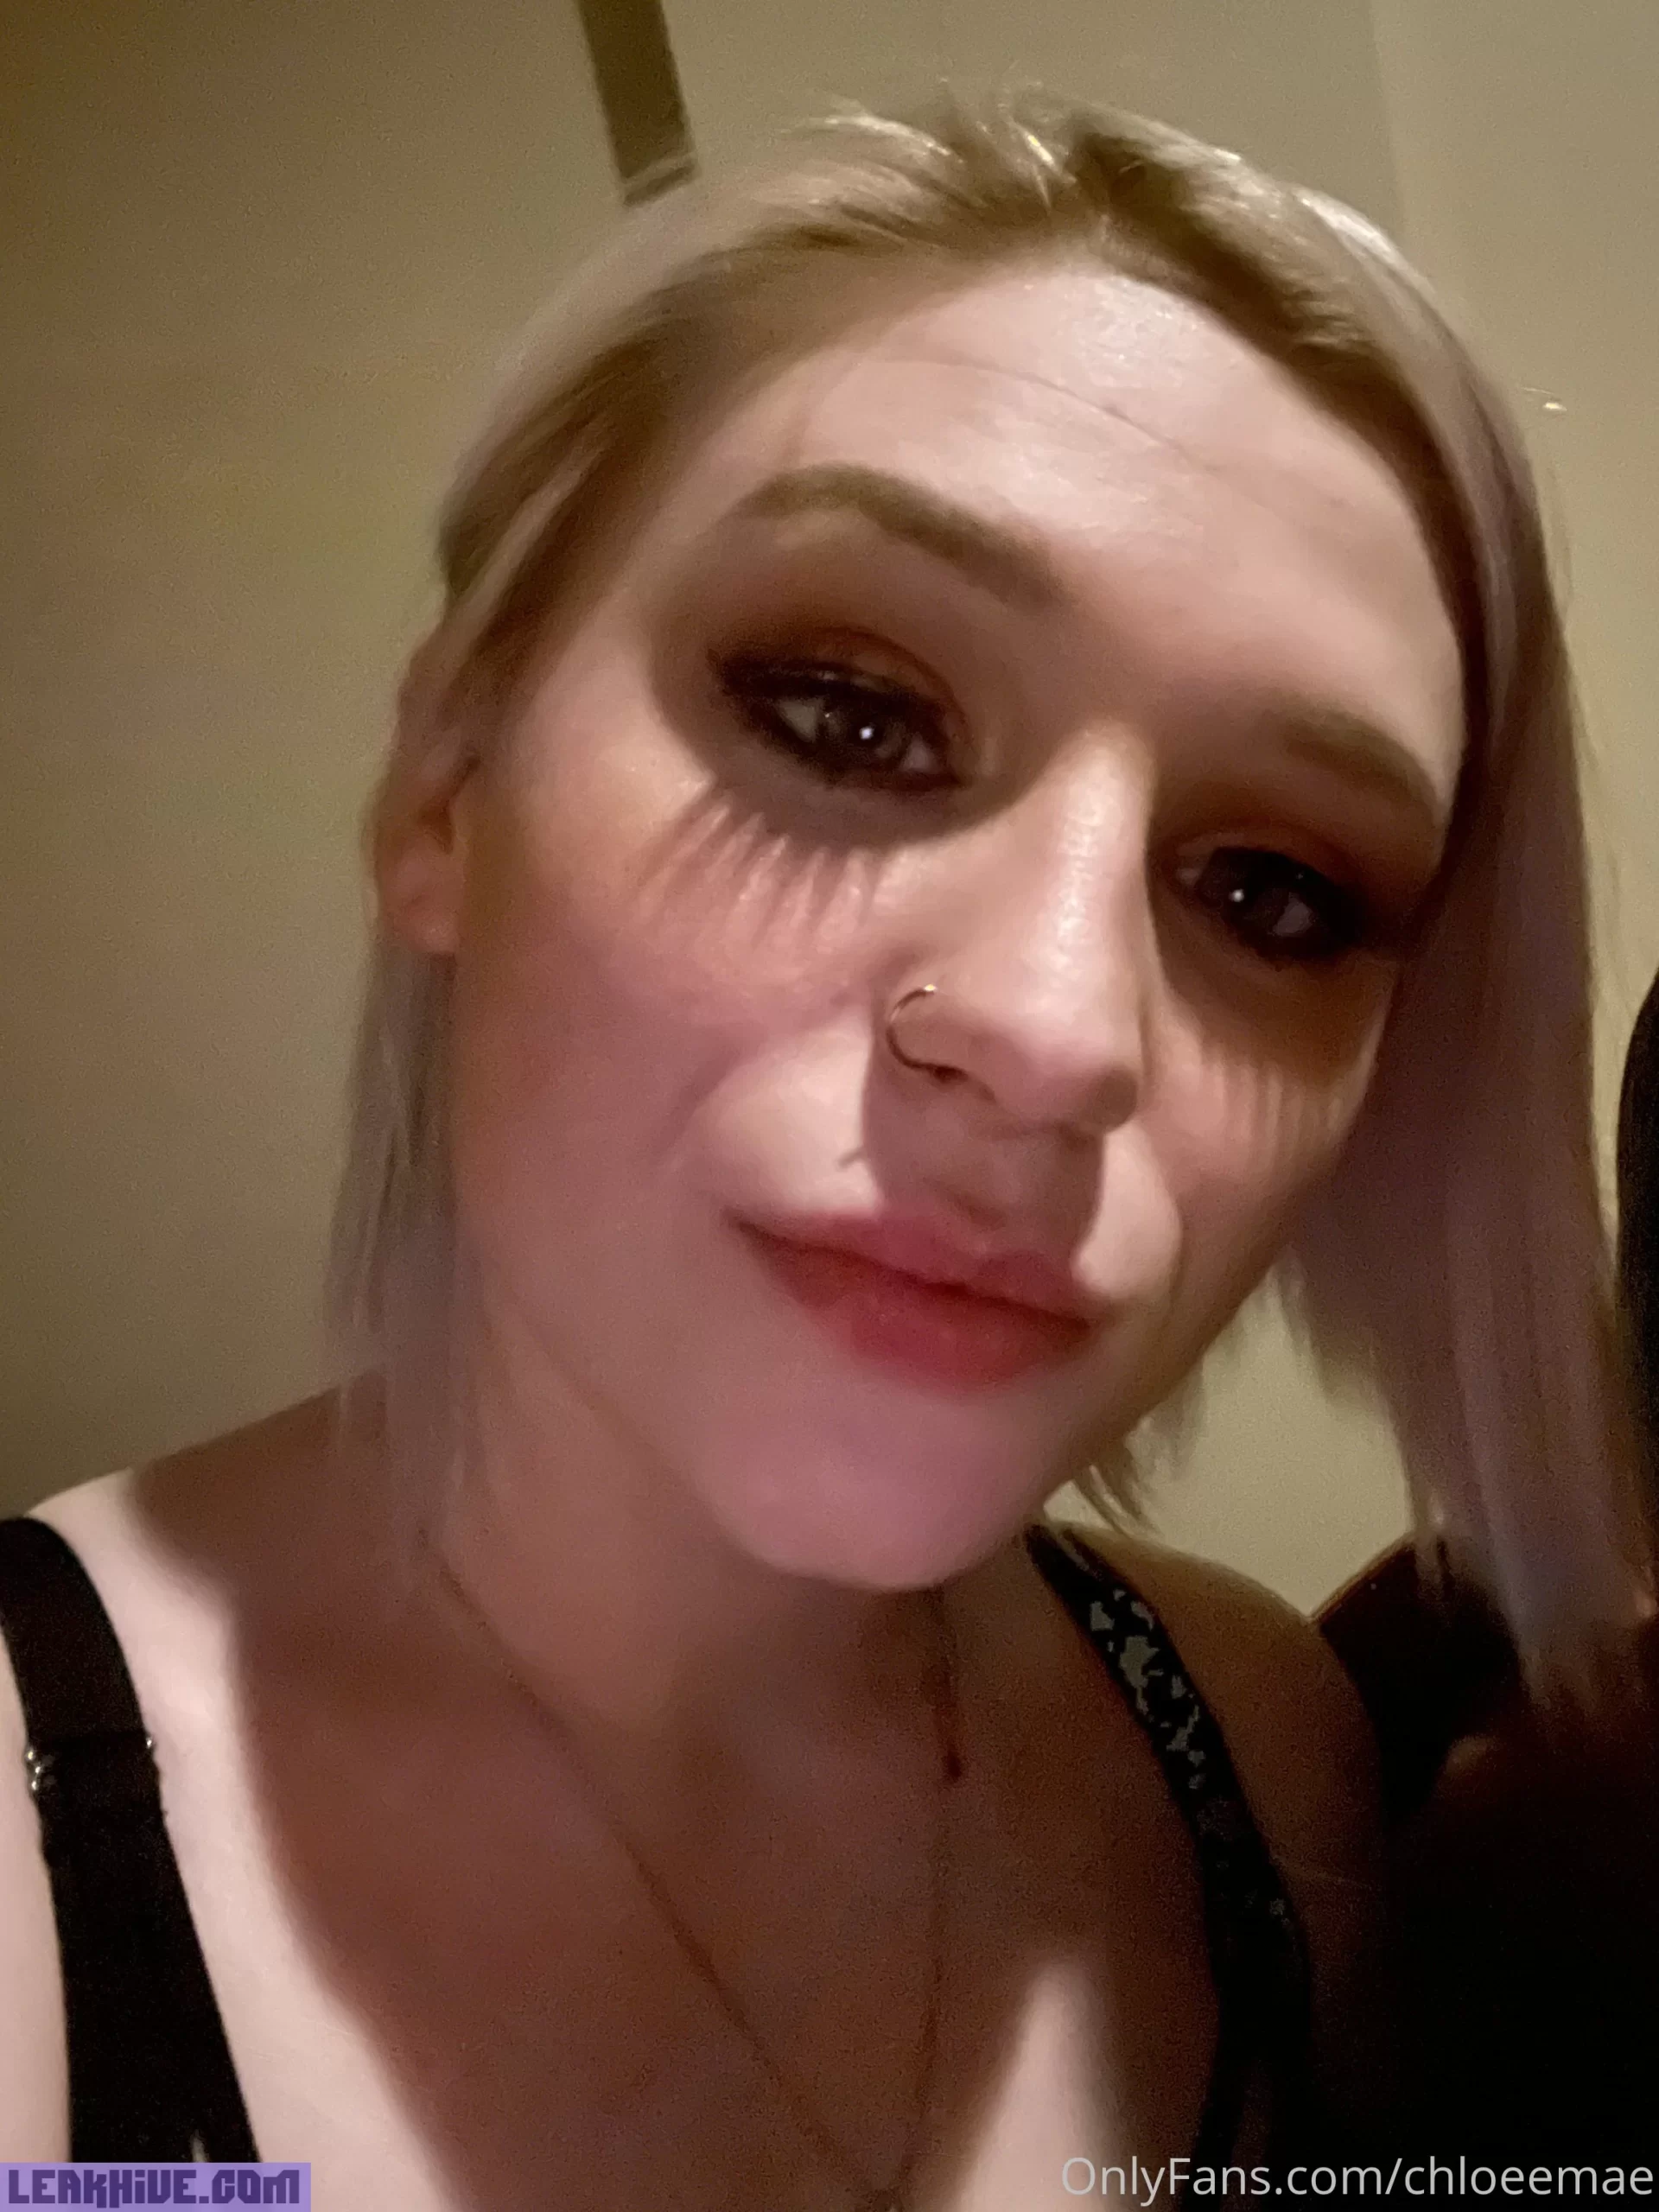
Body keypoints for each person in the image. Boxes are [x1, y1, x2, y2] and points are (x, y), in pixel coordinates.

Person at [0, 89, 1645, 2208]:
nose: (1060, 1031)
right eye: (849, 716)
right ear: (445, 790)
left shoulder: (1265, 1754)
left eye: (1273, 889)